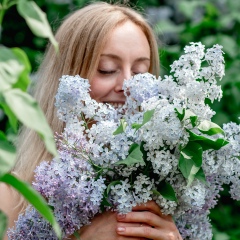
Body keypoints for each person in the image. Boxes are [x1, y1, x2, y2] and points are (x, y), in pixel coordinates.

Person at [0, 2, 183, 239]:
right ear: (65, 78)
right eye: (107, 69)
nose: (128, 86)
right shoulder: (11, 199)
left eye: (140, 73)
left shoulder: (166, 196)